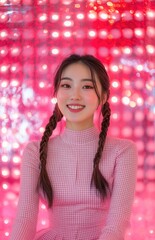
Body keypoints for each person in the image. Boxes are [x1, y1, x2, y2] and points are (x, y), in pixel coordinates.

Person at [10, 54, 138, 240]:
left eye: (86, 86)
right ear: (56, 93)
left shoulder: (123, 151)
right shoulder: (34, 152)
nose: (75, 96)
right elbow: (25, 219)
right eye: (66, 86)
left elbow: (117, 224)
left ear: (103, 96)